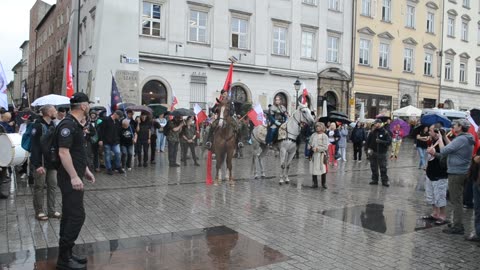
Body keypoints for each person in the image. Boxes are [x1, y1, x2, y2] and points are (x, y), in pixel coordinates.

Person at [56, 92, 95, 269]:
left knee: (70, 215)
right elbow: (63, 152)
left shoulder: (75, 124)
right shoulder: (68, 124)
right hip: (68, 178)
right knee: (77, 216)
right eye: (89, 104)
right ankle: (64, 260)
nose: (89, 107)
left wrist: (85, 170)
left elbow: (76, 150)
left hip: (75, 175)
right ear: (83, 106)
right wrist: (73, 176)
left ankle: (67, 254)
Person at [427, 119, 475, 235]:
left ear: (461, 127)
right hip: (461, 172)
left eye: (456, 125)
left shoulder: (461, 139)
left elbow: (444, 151)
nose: (453, 126)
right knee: (457, 199)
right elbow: (452, 146)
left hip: (457, 173)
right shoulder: (465, 138)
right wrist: (444, 137)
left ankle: (458, 226)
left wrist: (440, 139)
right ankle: (456, 223)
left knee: (456, 200)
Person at [30, 105, 61, 221]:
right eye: (54, 110)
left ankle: (51, 210)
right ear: (48, 112)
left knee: (52, 185)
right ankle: (39, 211)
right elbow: (35, 146)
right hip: (41, 161)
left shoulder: (53, 125)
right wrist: (37, 165)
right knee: (39, 186)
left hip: (52, 161)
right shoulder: (37, 126)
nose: (56, 112)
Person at [423, 124, 449, 225]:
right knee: (431, 195)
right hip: (431, 172)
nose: (429, 132)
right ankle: (435, 213)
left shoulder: (444, 143)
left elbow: (444, 158)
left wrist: (434, 153)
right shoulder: (433, 141)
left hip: (440, 174)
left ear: (437, 132)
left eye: (431, 131)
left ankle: (442, 215)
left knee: (440, 196)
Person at [365, 119, 392, 187]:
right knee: (373, 167)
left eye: (376, 123)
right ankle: (375, 180)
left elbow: (389, 142)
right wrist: (366, 150)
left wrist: (381, 141)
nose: (374, 125)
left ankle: (384, 181)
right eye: (374, 123)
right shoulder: (373, 132)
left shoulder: (385, 132)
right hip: (373, 152)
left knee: (383, 167)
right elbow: (368, 142)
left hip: (382, 153)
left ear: (380, 123)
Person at [98, 110, 124, 175]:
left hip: (115, 141)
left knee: (118, 153)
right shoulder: (106, 120)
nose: (119, 118)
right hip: (107, 141)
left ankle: (118, 167)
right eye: (119, 116)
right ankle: (109, 169)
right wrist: (101, 139)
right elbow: (101, 130)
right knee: (107, 155)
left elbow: (119, 131)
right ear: (116, 114)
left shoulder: (118, 122)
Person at [466, 127, 480, 241]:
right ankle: (478, 233)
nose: (477, 133)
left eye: (479, 131)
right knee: (477, 209)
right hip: (476, 179)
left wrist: (476, 158)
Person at [309, 122, 329, 189]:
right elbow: (310, 143)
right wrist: (310, 147)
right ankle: (315, 183)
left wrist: (318, 149)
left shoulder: (324, 136)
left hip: (321, 155)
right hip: (314, 155)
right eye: (316, 126)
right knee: (313, 169)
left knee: (323, 169)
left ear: (322, 128)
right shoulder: (313, 135)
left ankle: (323, 183)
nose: (317, 128)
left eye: (319, 126)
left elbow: (326, 147)